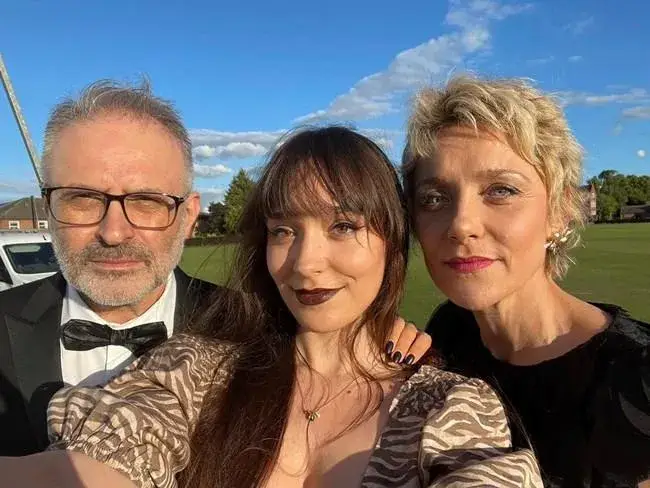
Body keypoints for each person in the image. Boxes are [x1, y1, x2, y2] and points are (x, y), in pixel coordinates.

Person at [1, 126, 542, 487]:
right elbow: (94, 464)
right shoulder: (197, 371)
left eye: (343, 226)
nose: (306, 263)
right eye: (284, 230)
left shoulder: (449, 408)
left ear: (392, 241)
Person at [402, 75, 650, 487]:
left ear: (559, 211)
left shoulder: (636, 383)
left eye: (500, 190)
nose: (461, 224)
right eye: (434, 198)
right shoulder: (449, 331)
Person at [0, 80, 219, 456]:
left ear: (188, 216)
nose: (114, 233)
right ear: (48, 209)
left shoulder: (255, 332)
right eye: (82, 199)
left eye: (147, 201)